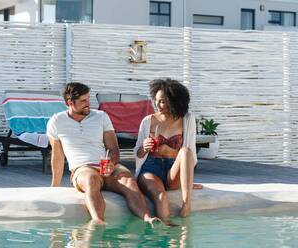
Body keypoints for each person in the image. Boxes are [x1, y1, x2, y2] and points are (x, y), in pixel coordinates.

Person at [47, 82, 158, 226]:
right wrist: (54, 186)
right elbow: (57, 156)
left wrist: (112, 163)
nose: (88, 103)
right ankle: (98, 220)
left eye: (88, 99)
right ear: (69, 102)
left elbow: (113, 148)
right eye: (83, 101)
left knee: (128, 180)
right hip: (82, 169)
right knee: (91, 179)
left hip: (106, 165)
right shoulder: (56, 121)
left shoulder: (101, 116)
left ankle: (147, 218)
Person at [134, 78, 202, 223]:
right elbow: (138, 154)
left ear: (175, 101)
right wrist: (144, 148)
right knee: (161, 196)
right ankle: (165, 231)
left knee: (185, 151)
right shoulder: (148, 121)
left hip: (174, 170)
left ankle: (186, 204)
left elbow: (190, 154)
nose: (158, 105)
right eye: (156, 100)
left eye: (163, 101)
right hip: (151, 168)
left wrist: (188, 179)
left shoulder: (187, 119)